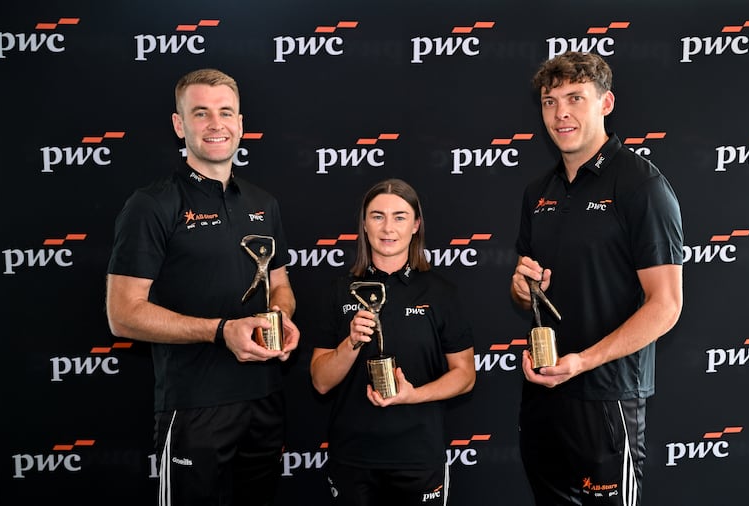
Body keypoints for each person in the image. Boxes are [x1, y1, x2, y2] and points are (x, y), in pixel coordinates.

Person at [105, 68, 300, 506]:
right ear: (180, 125)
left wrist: (282, 318)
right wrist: (219, 331)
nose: (216, 124)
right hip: (194, 407)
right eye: (201, 113)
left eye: (226, 112)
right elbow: (123, 314)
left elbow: (281, 284)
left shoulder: (262, 202)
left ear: (241, 123)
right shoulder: (152, 204)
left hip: (265, 399)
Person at [510, 51, 683, 506]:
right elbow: (530, 297)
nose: (561, 112)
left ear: (605, 104)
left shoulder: (641, 185)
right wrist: (522, 288)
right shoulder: (537, 193)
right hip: (544, 394)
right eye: (550, 101)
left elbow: (665, 305)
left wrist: (584, 361)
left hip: (606, 397)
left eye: (575, 98)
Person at [310, 178, 476, 506]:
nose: (388, 228)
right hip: (353, 457)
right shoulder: (340, 291)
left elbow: (466, 375)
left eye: (399, 216)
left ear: (416, 225)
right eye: (377, 216)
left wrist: (414, 396)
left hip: (418, 457)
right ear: (364, 224)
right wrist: (351, 343)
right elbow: (320, 382)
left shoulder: (441, 292)